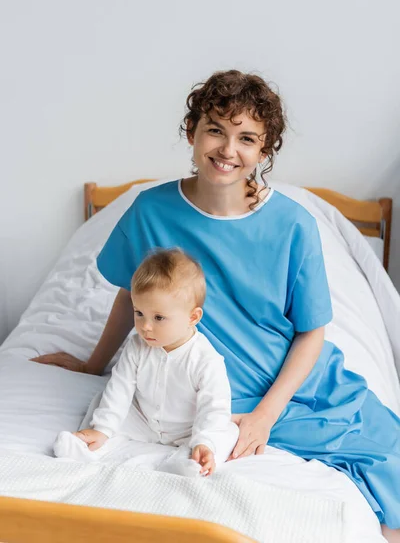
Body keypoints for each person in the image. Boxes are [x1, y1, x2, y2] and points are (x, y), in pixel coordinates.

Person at [34, 70, 400, 539]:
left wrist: (266, 416)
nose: (228, 150)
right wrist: (92, 365)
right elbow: (131, 296)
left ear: (264, 151)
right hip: (194, 389)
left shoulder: (293, 224)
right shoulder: (150, 210)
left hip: (285, 390)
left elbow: (312, 332)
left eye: (247, 138)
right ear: (192, 133)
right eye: (215, 130)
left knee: (389, 458)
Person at [53, 248, 238, 476]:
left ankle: (190, 461)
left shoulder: (206, 360)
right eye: (139, 313)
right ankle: (90, 444)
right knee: (102, 400)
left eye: (158, 318)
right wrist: (103, 427)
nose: (145, 326)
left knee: (226, 430)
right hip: (143, 421)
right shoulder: (136, 346)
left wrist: (204, 440)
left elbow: (213, 407)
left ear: (193, 317)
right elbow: (120, 387)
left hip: (186, 429)